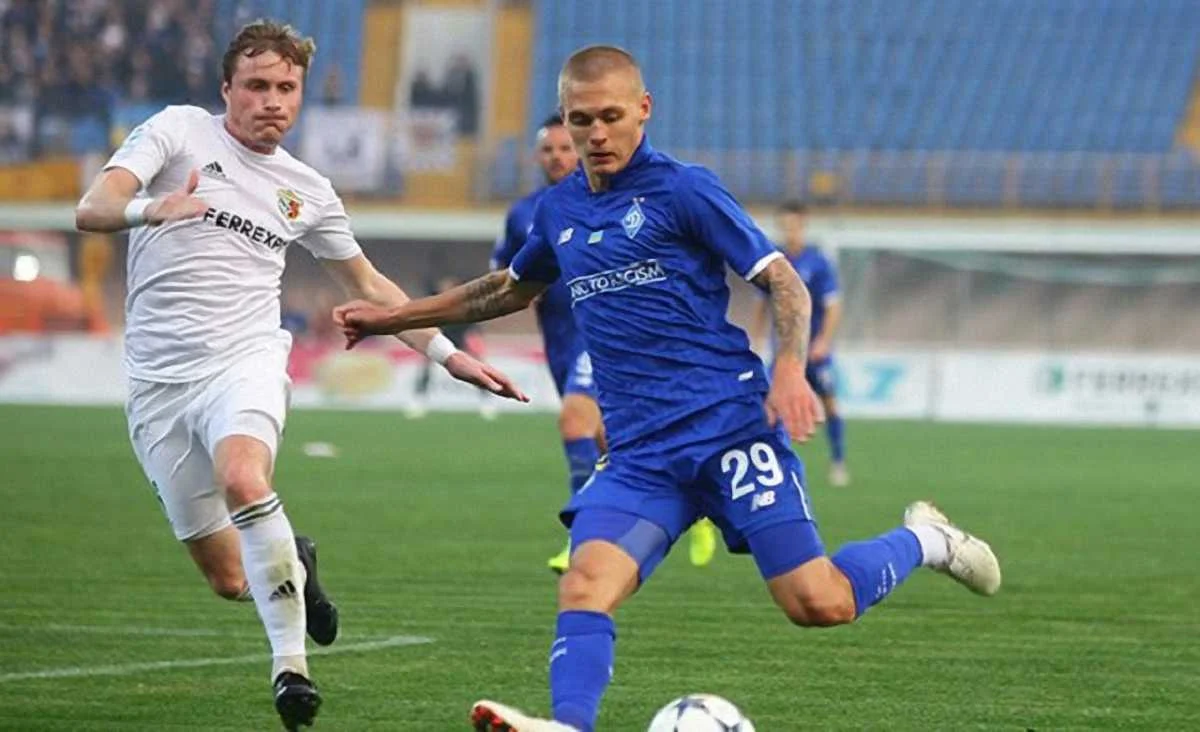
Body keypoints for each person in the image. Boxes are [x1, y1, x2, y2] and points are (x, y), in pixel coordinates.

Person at [334, 46, 1001, 732]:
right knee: (585, 585)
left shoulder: (685, 191)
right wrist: (393, 317)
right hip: (640, 455)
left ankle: (926, 539)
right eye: (581, 120)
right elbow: (505, 290)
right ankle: (569, 726)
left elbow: (784, 282)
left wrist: (789, 370)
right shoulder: (559, 210)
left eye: (611, 117)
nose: (596, 134)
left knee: (817, 602)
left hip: (729, 431)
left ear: (644, 110)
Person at [73, 20, 526, 731]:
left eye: (287, 88)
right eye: (257, 86)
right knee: (231, 578)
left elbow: (370, 284)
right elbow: (90, 209)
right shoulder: (177, 131)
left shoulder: (306, 189)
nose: (273, 101)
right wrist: (151, 207)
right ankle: (298, 560)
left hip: (244, 360)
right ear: (227, 88)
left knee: (244, 477)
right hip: (158, 386)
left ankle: (291, 670)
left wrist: (449, 355)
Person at [491, 113, 719, 573]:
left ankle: (582, 536)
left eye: (564, 148)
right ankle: (695, 500)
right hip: (559, 338)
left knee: (574, 420)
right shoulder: (527, 213)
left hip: (601, 334)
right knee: (608, 439)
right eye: (548, 150)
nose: (557, 157)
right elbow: (504, 275)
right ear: (537, 156)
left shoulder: (611, 201)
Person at [752, 200, 849, 486]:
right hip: (784, 352)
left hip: (814, 352)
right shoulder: (773, 260)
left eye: (793, 225)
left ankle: (838, 461)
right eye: (784, 226)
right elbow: (762, 304)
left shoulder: (817, 262)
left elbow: (833, 306)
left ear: (803, 225)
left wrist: (823, 341)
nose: (789, 231)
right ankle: (773, 466)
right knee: (769, 406)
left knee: (829, 404)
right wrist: (756, 339)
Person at [407, 275, 497, 420]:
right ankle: (419, 400)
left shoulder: (463, 305)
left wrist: (474, 342)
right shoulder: (436, 305)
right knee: (426, 367)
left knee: (478, 368)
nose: (445, 290)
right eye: (443, 288)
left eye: (449, 287)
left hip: (460, 340)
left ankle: (487, 401)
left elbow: (473, 324)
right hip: (441, 339)